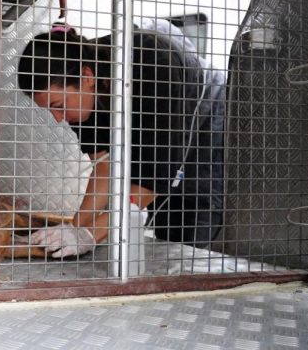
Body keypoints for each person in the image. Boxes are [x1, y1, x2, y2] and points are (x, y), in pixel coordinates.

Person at [17, 22, 224, 258]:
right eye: (50, 110)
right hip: (154, 146)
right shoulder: (82, 91)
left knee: (191, 234)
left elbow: (153, 180)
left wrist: (89, 235)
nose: (57, 118)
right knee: (165, 226)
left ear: (86, 77)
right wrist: (73, 228)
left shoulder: (153, 65)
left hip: (206, 130)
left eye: (59, 106)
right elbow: (104, 166)